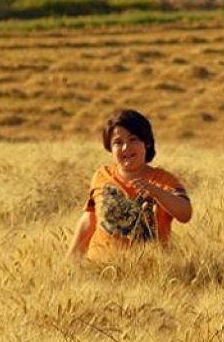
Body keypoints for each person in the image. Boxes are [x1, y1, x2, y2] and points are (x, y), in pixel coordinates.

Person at [67, 109, 192, 261]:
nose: (126, 147)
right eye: (118, 142)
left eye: (133, 139)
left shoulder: (163, 180)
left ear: (147, 142)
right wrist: (70, 260)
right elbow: (90, 219)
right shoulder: (102, 176)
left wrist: (157, 192)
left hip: (148, 272)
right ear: (110, 148)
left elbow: (185, 214)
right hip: (100, 269)